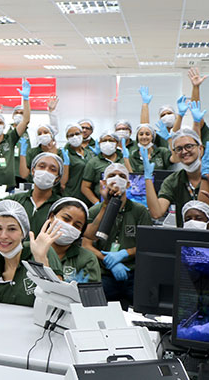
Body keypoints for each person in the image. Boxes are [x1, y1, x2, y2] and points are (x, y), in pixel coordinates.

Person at [84, 163, 151, 306]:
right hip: (104, 273)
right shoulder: (95, 211)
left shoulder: (140, 211)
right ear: (103, 182)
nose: (116, 178)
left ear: (128, 184)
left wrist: (124, 253)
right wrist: (107, 259)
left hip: (131, 273)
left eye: (121, 176)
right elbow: (86, 243)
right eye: (111, 175)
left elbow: (147, 246)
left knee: (142, 309)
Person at [0, 152, 63, 234]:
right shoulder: (16, 200)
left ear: (57, 178)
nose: (46, 171)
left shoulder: (60, 206)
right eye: (42, 166)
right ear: (33, 171)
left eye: (53, 169)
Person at [145, 129, 208, 226]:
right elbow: (157, 213)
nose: (184, 151)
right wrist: (148, 179)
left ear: (200, 149)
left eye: (189, 146)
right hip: (184, 237)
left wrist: (206, 178)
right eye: (179, 149)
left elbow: (203, 210)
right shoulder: (173, 180)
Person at [45, 197, 101, 283]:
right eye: (66, 219)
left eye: (77, 226)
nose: (70, 226)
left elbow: (90, 293)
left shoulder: (87, 259)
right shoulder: (29, 249)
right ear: (52, 217)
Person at [80, 130, 123, 205]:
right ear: (100, 144)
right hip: (102, 202)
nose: (107, 143)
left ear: (117, 144)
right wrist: (97, 203)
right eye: (104, 141)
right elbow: (85, 187)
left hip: (123, 201)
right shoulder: (93, 162)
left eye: (111, 140)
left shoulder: (124, 160)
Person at [62, 123, 90, 204]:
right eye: (71, 135)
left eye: (77, 134)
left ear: (82, 134)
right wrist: (66, 164)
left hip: (88, 197)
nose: (75, 137)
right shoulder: (65, 154)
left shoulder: (88, 152)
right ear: (67, 138)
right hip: (72, 195)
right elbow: (62, 183)